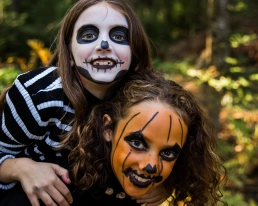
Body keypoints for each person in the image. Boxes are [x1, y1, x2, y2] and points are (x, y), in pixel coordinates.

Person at [0, 0, 168, 205]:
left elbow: (175, 152)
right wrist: (21, 168)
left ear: (135, 53)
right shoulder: (37, 95)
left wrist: (166, 183)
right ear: (69, 53)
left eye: (118, 36)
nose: (104, 45)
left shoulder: (151, 103)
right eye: (88, 35)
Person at [62, 71, 227, 206]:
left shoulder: (160, 193)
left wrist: (169, 184)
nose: (151, 166)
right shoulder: (59, 180)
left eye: (168, 153)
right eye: (137, 143)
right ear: (108, 129)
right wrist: (34, 167)